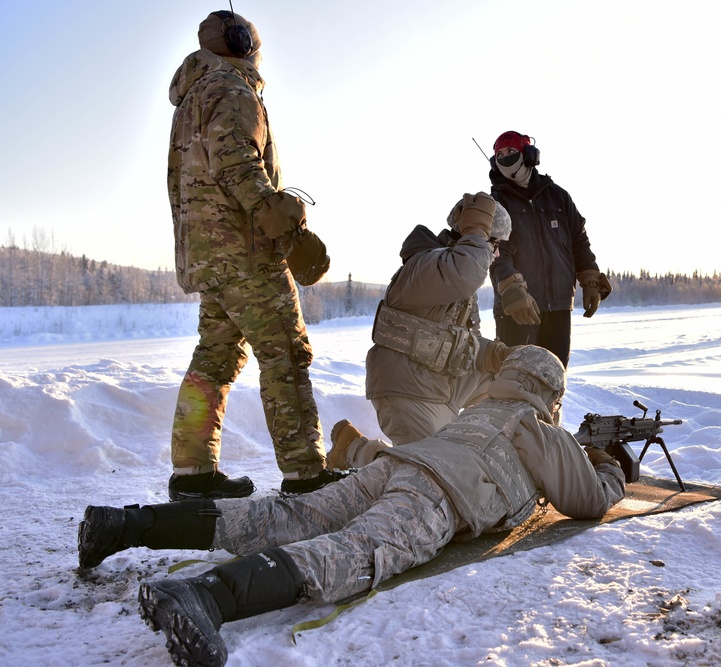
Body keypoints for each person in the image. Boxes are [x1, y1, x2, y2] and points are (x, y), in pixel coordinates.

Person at [77, 346, 626, 667]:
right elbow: (588, 501)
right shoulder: (538, 428)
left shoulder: (481, 408)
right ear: (552, 391)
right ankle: (205, 598)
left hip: (398, 466)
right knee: (355, 551)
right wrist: (610, 465)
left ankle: (123, 524)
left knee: (282, 517)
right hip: (438, 495)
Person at [166, 10, 339, 500]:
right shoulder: (234, 90)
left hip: (208, 257)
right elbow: (238, 165)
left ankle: (193, 473)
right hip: (245, 253)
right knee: (285, 352)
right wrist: (283, 228)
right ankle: (306, 474)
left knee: (215, 358)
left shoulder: (191, 98)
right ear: (244, 45)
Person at [355, 192, 514, 457]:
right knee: (435, 478)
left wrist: (499, 356)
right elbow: (465, 273)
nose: (496, 253)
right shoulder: (426, 266)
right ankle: (356, 451)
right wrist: (477, 232)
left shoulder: (451, 275)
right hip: (410, 392)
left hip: (442, 385)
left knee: (506, 382)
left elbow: (464, 342)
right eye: (494, 243)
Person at [488, 130, 613, 368]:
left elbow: (578, 240)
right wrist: (511, 290)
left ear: (529, 155)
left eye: (511, 152)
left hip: (558, 305)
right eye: (500, 154)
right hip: (518, 308)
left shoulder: (557, 197)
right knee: (515, 382)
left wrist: (590, 281)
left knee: (554, 379)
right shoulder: (494, 204)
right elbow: (494, 252)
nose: (505, 157)